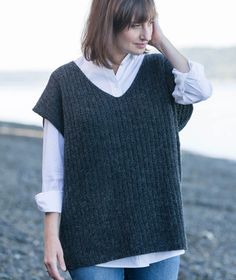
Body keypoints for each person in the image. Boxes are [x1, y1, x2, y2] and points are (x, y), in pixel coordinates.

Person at [32, 0, 212, 279]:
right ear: (108, 24)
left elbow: (199, 89)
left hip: (159, 233)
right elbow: (54, 172)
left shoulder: (159, 70)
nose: (146, 34)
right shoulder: (65, 82)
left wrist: (161, 40)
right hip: (91, 238)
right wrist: (50, 237)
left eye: (150, 22)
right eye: (136, 25)